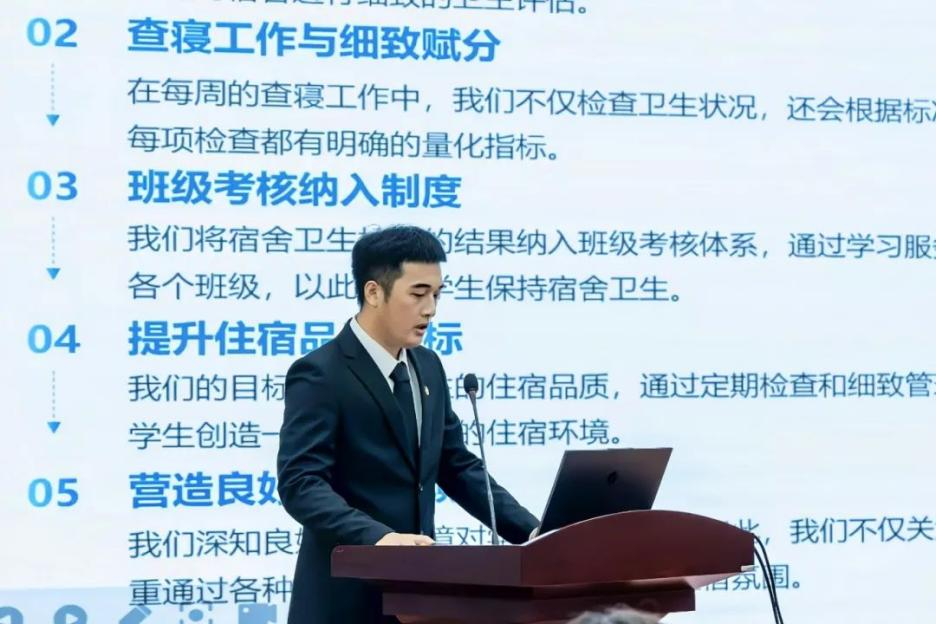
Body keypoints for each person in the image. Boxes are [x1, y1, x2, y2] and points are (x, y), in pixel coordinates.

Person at [277, 225, 540, 624]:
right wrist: (378, 538)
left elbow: (456, 464)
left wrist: (533, 533)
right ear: (373, 293)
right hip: (345, 599)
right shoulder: (321, 373)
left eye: (436, 295)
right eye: (418, 294)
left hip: (418, 600)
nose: (430, 309)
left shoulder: (428, 366)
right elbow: (302, 483)